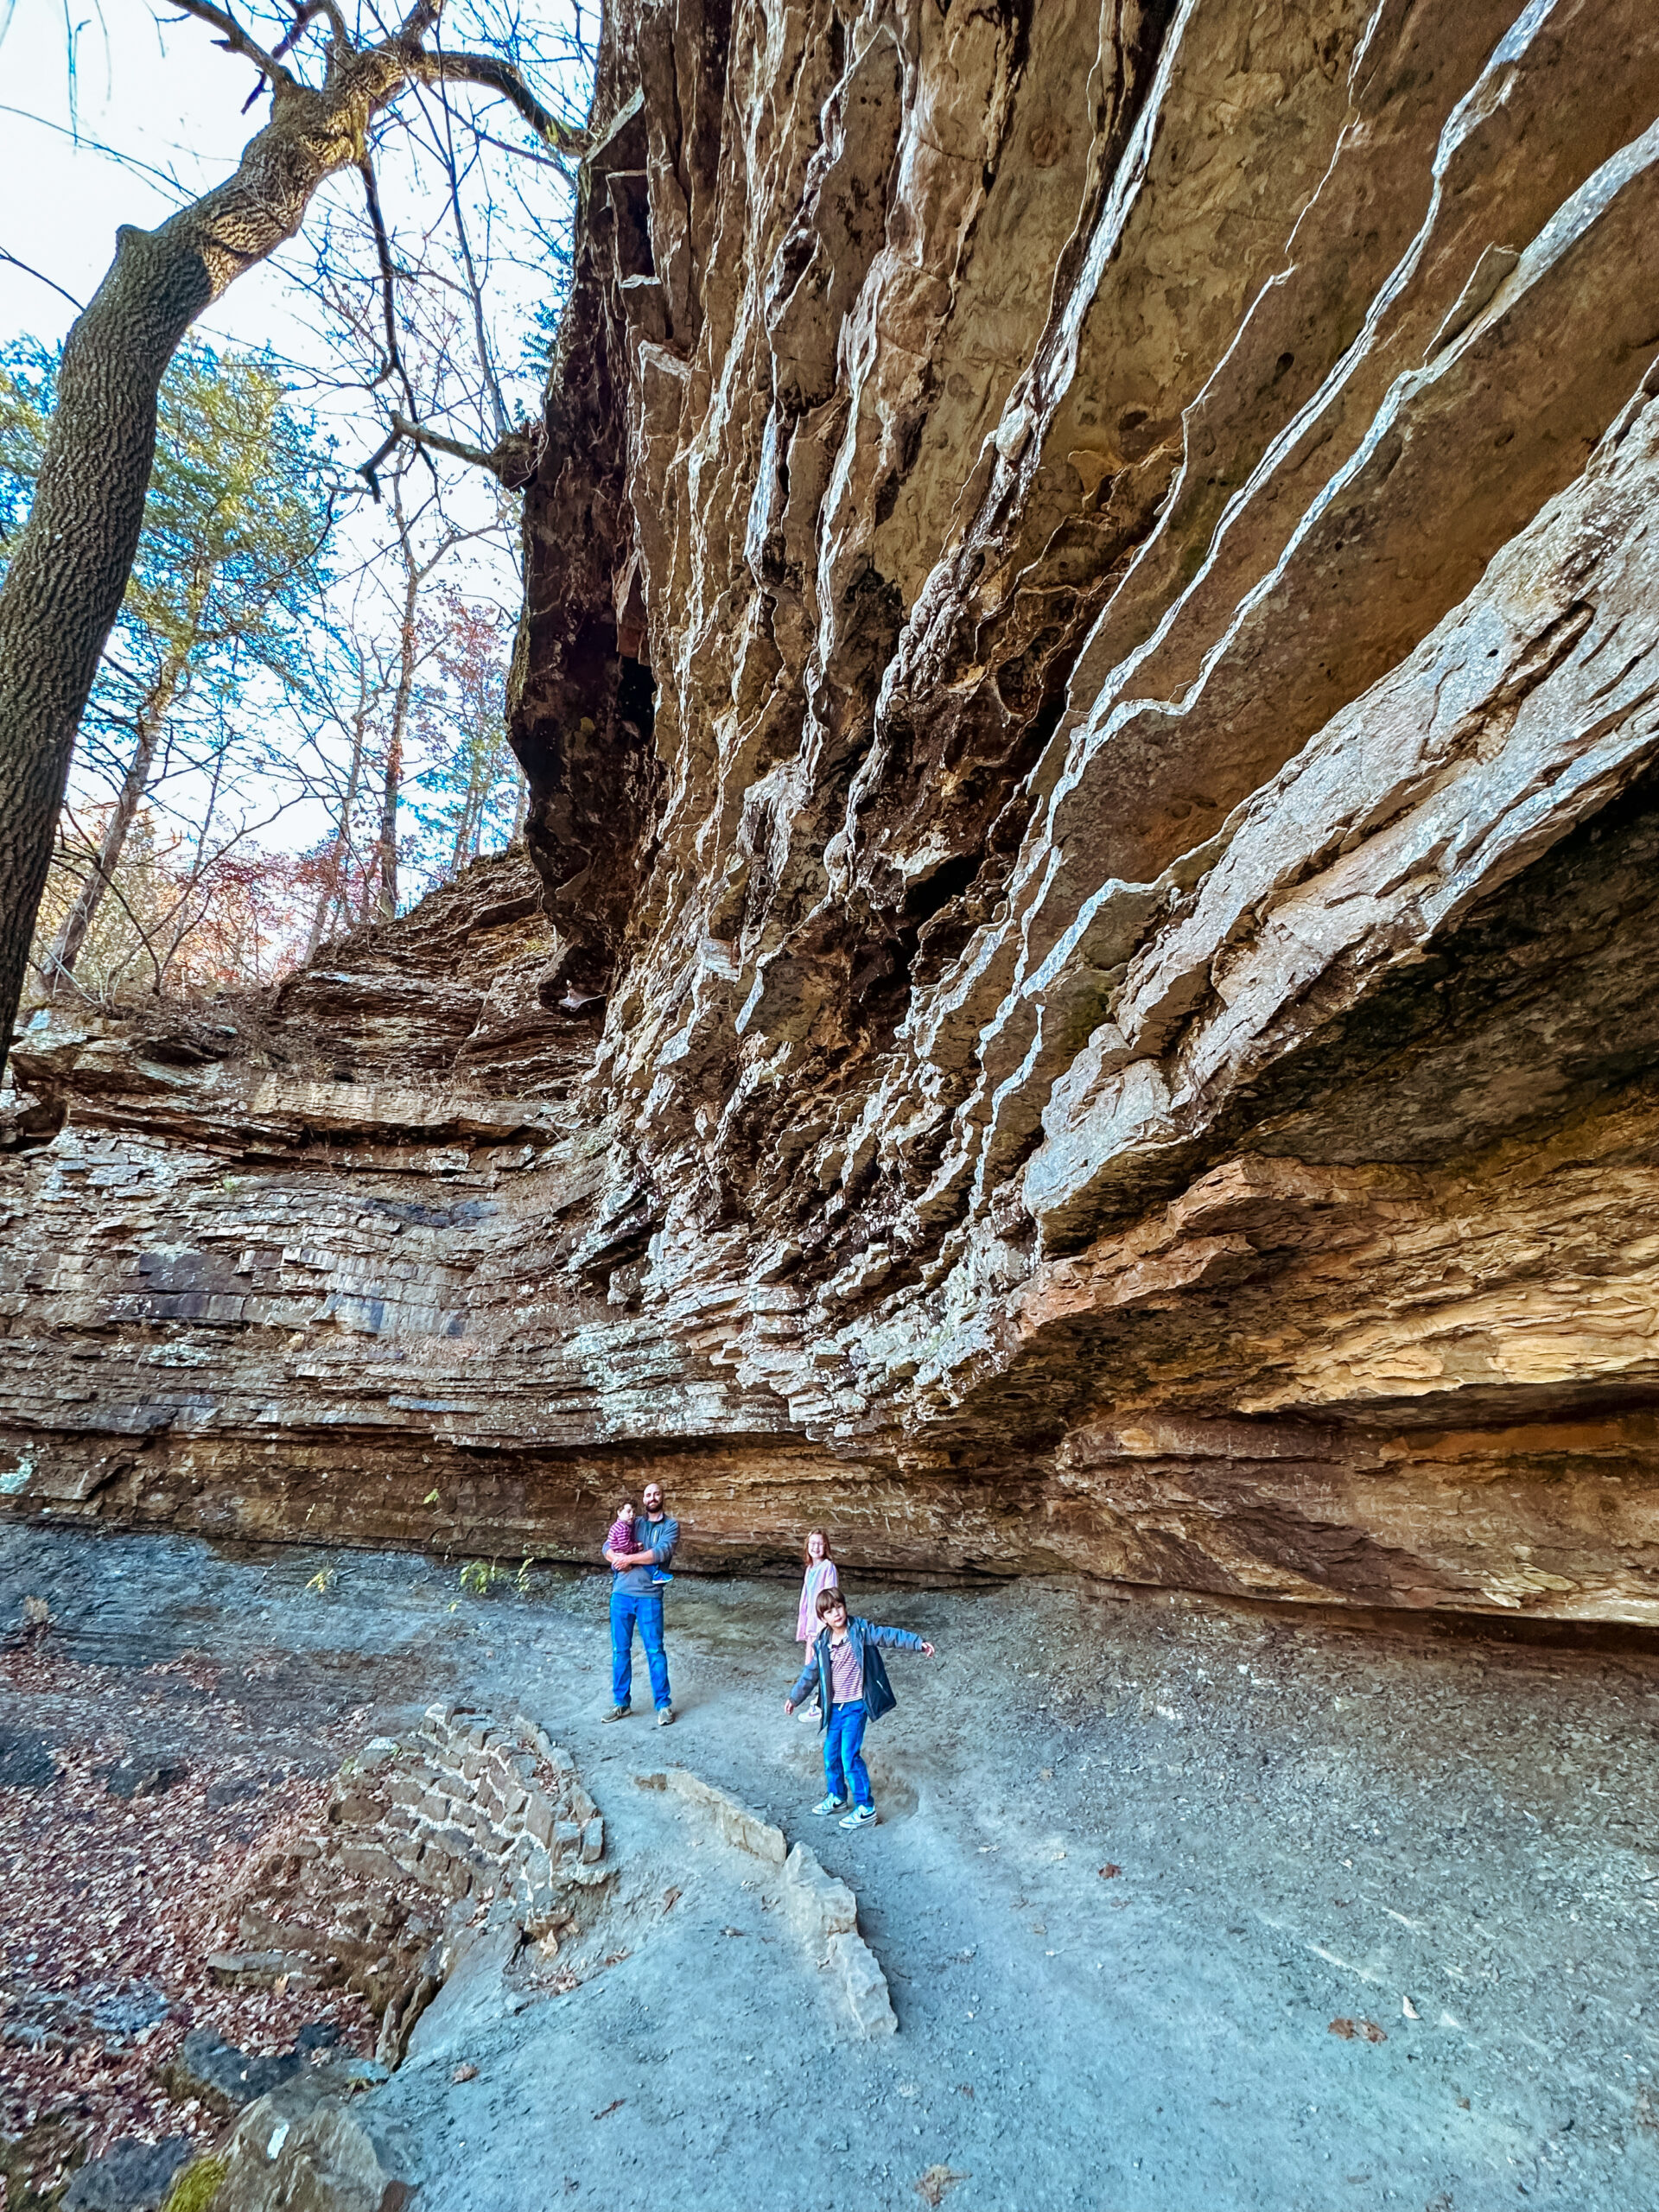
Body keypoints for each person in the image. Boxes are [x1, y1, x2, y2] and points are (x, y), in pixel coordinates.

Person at [784, 1586, 935, 1830]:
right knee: (830, 1754)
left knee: (849, 1756)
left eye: (839, 1607)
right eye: (830, 1611)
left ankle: (865, 1808)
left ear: (845, 1606)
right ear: (823, 1618)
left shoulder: (860, 1631)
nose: (837, 1614)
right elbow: (811, 1673)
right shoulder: (823, 1641)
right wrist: (794, 1698)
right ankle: (837, 1797)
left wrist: (917, 1643)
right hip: (835, 1709)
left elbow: (889, 1636)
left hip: (856, 1706)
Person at [604, 1479, 678, 1725]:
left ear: (662, 1497)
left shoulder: (670, 1525)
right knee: (620, 1651)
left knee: (655, 1650)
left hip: (649, 1597)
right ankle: (621, 1703)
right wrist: (616, 1557)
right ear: (643, 1499)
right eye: (648, 1494)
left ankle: (663, 1705)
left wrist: (629, 1559)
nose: (652, 1497)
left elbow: (660, 1553)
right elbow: (607, 1545)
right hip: (622, 1595)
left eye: (657, 1493)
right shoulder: (631, 1522)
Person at [795, 1529, 837, 1645]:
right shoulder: (810, 1569)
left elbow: (830, 1596)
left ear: (826, 1547)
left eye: (820, 1544)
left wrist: (827, 1621)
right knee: (811, 1660)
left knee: (820, 1659)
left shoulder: (828, 1567)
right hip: (811, 1622)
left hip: (821, 1623)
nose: (816, 1547)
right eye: (812, 1544)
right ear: (807, 1546)